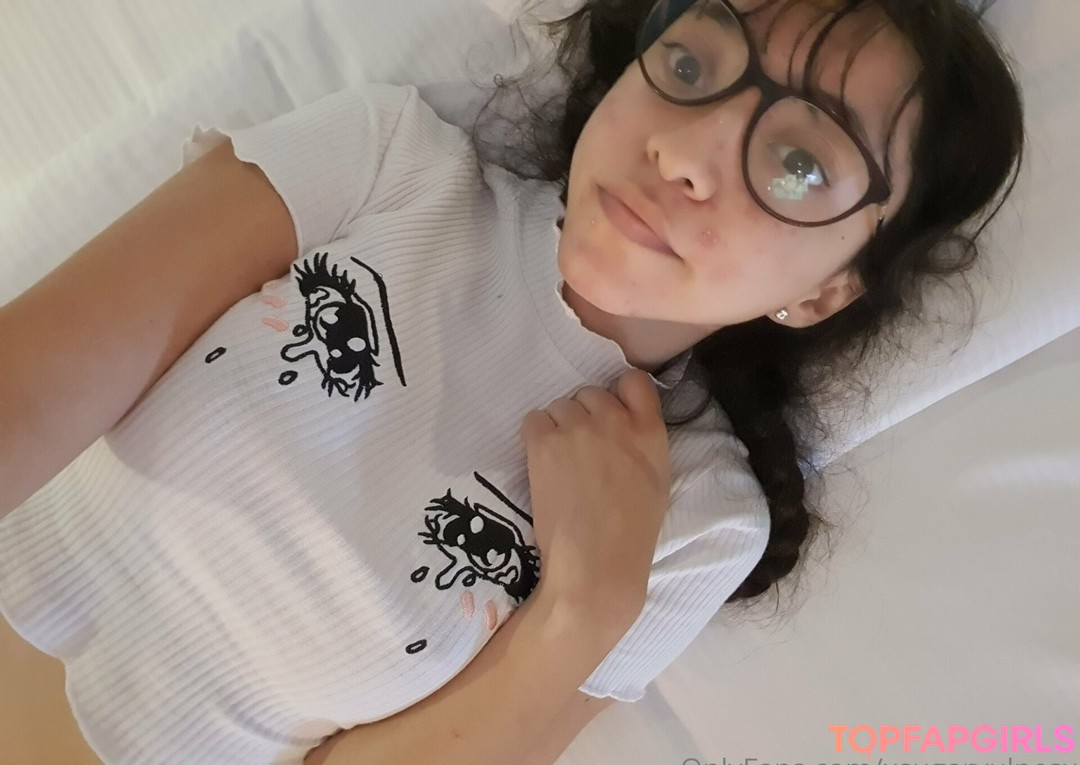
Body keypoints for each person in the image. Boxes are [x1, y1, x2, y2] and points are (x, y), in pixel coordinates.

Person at [0, 0, 1023, 763]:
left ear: (825, 291)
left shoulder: (697, 519)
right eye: (689, 62)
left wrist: (582, 607)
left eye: (799, 163)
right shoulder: (381, 161)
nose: (685, 150)